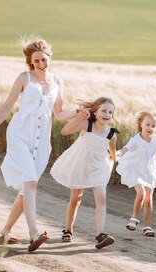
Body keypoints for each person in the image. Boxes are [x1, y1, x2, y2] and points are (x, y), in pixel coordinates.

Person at [0, 38, 78, 252]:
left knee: (26, 189)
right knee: (31, 182)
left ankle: (6, 230)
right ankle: (34, 234)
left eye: (44, 59)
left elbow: (60, 113)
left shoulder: (57, 80)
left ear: (50, 57)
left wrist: (79, 113)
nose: (41, 64)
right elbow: (7, 105)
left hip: (41, 141)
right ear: (30, 62)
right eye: (36, 61)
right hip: (19, 136)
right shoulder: (24, 77)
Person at [50, 97, 118, 249]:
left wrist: (115, 157)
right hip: (81, 166)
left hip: (98, 169)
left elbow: (113, 155)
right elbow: (64, 131)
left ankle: (101, 234)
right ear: (95, 111)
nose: (107, 114)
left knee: (101, 200)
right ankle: (68, 230)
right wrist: (79, 117)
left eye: (110, 112)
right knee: (75, 200)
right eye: (104, 111)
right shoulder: (86, 125)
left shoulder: (111, 134)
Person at [116, 110, 156, 237]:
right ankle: (134, 218)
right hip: (135, 169)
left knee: (148, 200)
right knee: (141, 193)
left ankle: (147, 226)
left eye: (154, 126)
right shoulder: (135, 139)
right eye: (147, 124)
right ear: (141, 124)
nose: (150, 128)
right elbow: (124, 149)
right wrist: (116, 154)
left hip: (149, 170)